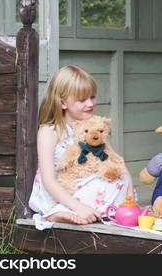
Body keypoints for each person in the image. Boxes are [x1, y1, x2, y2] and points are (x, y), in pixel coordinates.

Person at [29, 65, 134, 230]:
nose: (90, 103)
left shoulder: (94, 128)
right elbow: (48, 179)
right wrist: (80, 207)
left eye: (92, 97)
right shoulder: (50, 131)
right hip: (62, 191)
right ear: (63, 102)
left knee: (122, 177)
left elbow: (116, 161)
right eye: (82, 100)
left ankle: (105, 211)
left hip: (89, 186)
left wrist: (130, 198)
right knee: (96, 187)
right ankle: (60, 212)